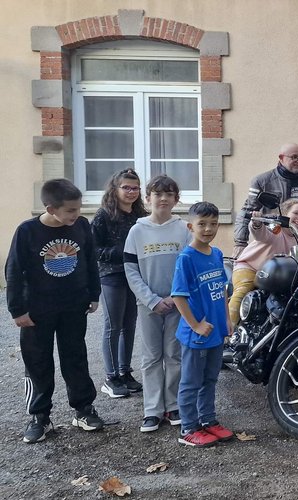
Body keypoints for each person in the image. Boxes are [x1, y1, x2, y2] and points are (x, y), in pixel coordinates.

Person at [6, 179, 105, 443]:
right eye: (70, 210)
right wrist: (17, 310)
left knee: (75, 356)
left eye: (79, 208)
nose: (76, 214)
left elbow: (89, 261)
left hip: (74, 305)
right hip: (37, 309)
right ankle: (39, 416)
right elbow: (13, 271)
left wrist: (93, 294)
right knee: (37, 361)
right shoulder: (27, 231)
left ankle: (83, 409)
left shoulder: (81, 225)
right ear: (50, 208)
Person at [124, 175, 191, 433]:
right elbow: (131, 271)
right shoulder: (137, 231)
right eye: (158, 194)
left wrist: (176, 297)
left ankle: (173, 405)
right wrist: (151, 300)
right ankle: (152, 410)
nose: (163, 198)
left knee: (174, 354)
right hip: (148, 304)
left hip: (177, 303)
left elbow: (188, 267)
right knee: (151, 356)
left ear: (176, 199)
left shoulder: (184, 229)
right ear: (148, 198)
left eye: (169, 194)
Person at [172, 202, 235, 447]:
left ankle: (208, 420)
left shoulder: (217, 254)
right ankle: (188, 428)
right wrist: (195, 324)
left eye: (213, 224)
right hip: (196, 334)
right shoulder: (186, 258)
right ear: (191, 227)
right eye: (202, 224)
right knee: (191, 382)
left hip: (216, 331)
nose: (208, 229)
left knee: (210, 379)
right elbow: (178, 296)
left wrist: (227, 319)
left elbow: (222, 289)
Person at [91, 169, 148, 399]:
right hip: (111, 275)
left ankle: (125, 372)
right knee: (113, 325)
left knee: (129, 324)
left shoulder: (140, 215)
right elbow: (93, 249)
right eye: (126, 187)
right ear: (115, 189)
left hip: (134, 275)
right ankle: (111, 377)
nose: (131, 192)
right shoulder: (103, 215)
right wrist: (121, 253)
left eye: (135, 188)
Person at [228, 198, 298, 326]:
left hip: (276, 276)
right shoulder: (276, 227)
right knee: (242, 292)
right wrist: (257, 223)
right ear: (285, 213)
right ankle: (226, 330)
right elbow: (262, 234)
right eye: (296, 213)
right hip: (251, 267)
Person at [233, 143, 298, 256]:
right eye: (294, 157)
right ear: (281, 158)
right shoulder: (262, 181)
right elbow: (247, 212)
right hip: (273, 242)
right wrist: (240, 243)